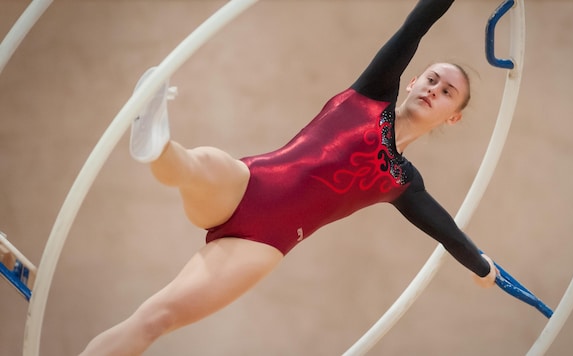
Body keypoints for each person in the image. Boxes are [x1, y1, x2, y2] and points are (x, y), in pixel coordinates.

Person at [80, 0, 498, 354]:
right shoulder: (373, 93)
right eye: (431, 79)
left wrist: (483, 268)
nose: (433, 90)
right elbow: (417, 25)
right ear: (411, 81)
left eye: (447, 93)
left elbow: (449, 234)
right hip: (248, 184)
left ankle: (160, 146)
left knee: (155, 319)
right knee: (194, 165)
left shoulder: (404, 181)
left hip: (263, 247)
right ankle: (157, 143)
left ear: (454, 116)